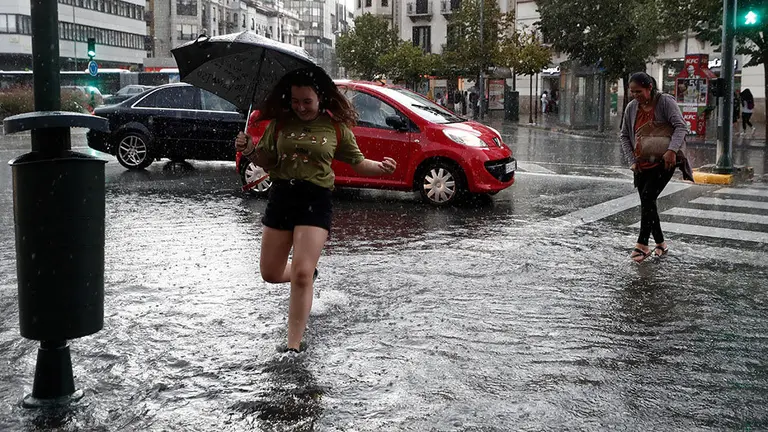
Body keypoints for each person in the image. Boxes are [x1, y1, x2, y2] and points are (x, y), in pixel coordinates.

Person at [234, 67, 397, 352]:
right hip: (282, 195)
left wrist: (380, 168)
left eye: (306, 101)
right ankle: (309, 274)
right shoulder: (280, 124)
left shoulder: (335, 128)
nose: (300, 107)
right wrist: (249, 149)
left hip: (316, 198)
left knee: (300, 274)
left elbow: (357, 163)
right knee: (270, 273)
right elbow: (268, 162)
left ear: (319, 98)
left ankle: (293, 345)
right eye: (295, 101)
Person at [620, 72, 693, 263]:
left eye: (639, 91)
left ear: (649, 88)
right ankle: (661, 243)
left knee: (647, 197)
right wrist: (632, 161)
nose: (635, 95)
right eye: (632, 92)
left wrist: (671, 150)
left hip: (664, 162)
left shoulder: (665, 102)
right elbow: (624, 136)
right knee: (648, 203)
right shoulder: (631, 108)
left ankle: (642, 244)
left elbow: (681, 127)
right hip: (641, 163)